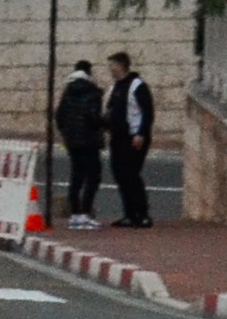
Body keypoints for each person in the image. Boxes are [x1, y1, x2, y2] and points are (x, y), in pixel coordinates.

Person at [105, 50, 155, 228]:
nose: (110, 69)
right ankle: (129, 214)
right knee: (120, 175)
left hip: (133, 137)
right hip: (117, 138)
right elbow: (110, 112)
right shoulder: (115, 88)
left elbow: (147, 112)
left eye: (112, 66)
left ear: (121, 65)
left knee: (131, 175)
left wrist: (141, 133)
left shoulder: (137, 85)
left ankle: (142, 214)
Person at [54, 59, 104, 230]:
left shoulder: (68, 90)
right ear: (89, 72)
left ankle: (75, 215)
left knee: (76, 177)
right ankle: (85, 212)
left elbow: (59, 116)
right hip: (89, 141)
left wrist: (68, 134)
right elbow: (93, 118)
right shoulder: (93, 92)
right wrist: (106, 122)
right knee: (94, 177)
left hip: (73, 142)